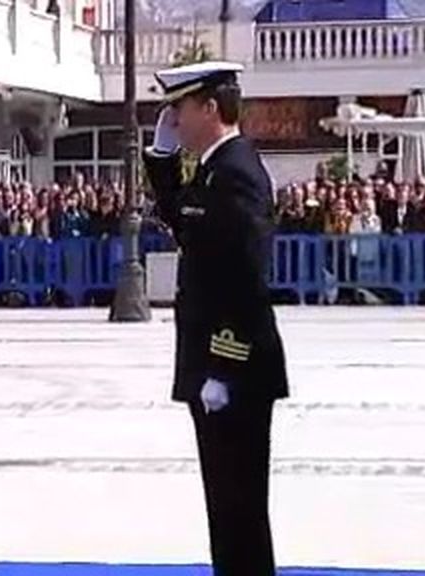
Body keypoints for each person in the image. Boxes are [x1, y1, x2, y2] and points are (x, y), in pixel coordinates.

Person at [142, 61, 289, 576]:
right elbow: (186, 224)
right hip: (220, 368)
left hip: (236, 371)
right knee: (226, 506)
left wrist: (223, 367)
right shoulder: (214, 168)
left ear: (209, 107)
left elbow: (246, 282)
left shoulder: (237, 172)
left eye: (179, 107)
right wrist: (161, 160)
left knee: (239, 506)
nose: (174, 119)